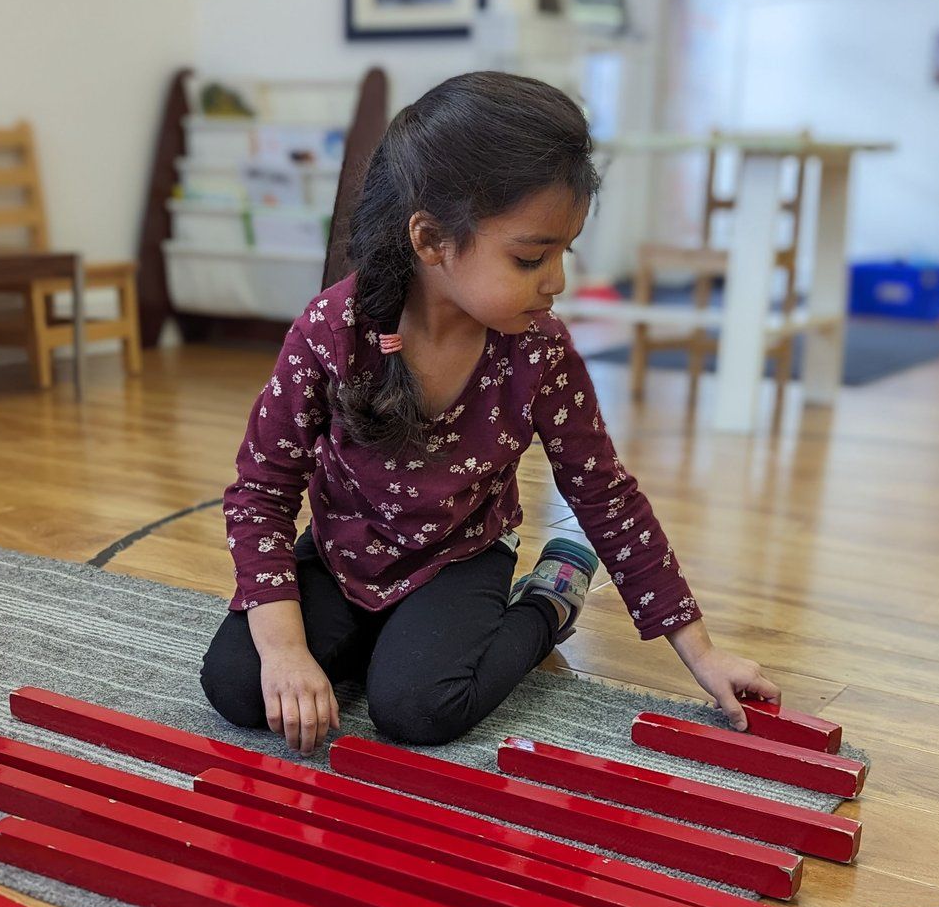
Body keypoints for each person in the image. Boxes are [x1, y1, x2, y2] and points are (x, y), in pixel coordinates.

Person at [200, 71, 779, 755]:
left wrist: (702, 653)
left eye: (565, 251)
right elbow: (261, 493)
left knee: (417, 710)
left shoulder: (540, 350)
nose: (558, 280)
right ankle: (386, 638)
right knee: (240, 685)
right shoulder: (334, 329)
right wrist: (288, 652)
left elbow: (604, 495)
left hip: (461, 556)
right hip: (342, 554)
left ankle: (549, 598)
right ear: (431, 241)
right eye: (532, 257)